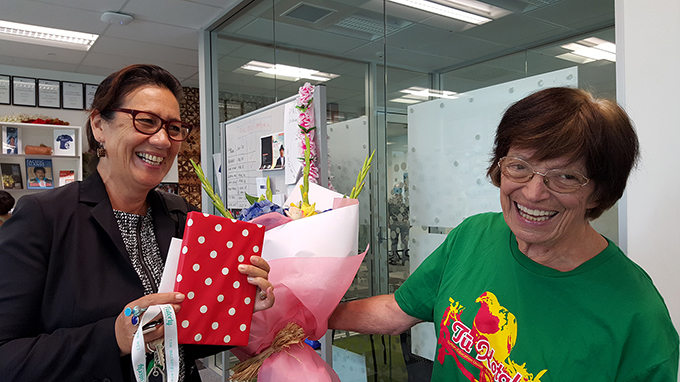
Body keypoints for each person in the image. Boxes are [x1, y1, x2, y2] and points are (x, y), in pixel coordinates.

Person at [329, 87, 678, 381]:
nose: (533, 193)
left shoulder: (638, 318)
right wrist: (305, 314)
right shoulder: (472, 236)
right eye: (519, 167)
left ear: (600, 193)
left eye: (565, 177)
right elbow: (396, 310)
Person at [0, 64, 275, 382]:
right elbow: (6, 357)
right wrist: (114, 338)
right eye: (145, 122)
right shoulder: (44, 217)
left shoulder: (181, 215)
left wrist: (232, 308)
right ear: (99, 125)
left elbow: (181, 342)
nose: (162, 141)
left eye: (174, 129)